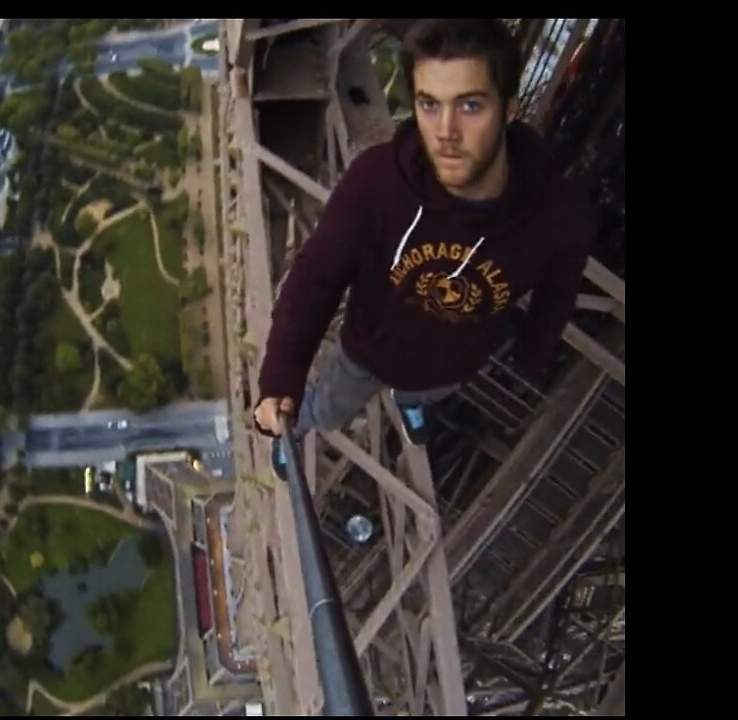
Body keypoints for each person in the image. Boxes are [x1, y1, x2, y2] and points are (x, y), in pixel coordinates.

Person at [253, 18, 597, 478]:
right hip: (368, 352)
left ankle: (409, 401)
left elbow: (559, 288)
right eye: (429, 105)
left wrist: (534, 352)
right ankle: (300, 431)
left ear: (509, 109)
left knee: (424, 390)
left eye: (470, 106)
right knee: (329, 408)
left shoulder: (558, 215)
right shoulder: (378, 182)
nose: (445, 131)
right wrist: (280, 381)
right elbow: (315, 278)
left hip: (452, 360)